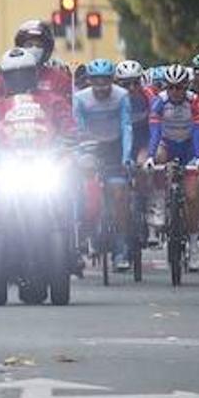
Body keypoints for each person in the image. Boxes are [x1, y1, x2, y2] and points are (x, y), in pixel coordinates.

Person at [73, 59, 134, 270]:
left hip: (114, 148)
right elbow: (78, 130)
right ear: (89, 81)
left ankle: (121, 248)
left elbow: (127, 127)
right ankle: (82, 238)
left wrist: (127, 156)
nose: (101, 86)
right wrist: (81, 156)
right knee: (84, 195)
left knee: (119, 195)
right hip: (90, 147)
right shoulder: (80, 99)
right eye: (96, 81)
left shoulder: (122, 96)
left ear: (112, 80)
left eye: (105, 81)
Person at [147, 64, 199, 272]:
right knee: (158, 161)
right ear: (165, 87)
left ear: (186, 86)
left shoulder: (196, 102)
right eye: (171, 87)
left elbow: (198, 133)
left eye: (179, 87)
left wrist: (198, 157)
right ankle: (159, 204)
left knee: (192, 196)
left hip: (189, 147)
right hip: (167, 145)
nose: (175, 92)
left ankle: (193, 246)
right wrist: (150, 157)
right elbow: (154, 133)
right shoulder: (159, 103)